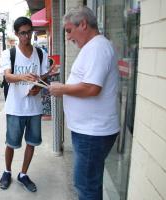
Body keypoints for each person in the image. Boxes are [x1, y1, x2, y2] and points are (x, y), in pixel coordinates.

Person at [48, 6, 119, 200]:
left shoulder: (98, 47)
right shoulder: (94, 46)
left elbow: (91, 88)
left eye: (69, 30)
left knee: (86, 186)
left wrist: (62, 89)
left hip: (93, 133)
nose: (68, 37)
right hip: (90, 132)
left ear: (84, 24)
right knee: (89, 183)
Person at [0, 17, 48, 192]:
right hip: (15, 107)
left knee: (32, 142)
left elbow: (43, 77)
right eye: (22, 33)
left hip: (34, 108)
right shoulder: (9, 54)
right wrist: (22, 77)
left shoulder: (40, 53)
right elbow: (7, 76)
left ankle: (23, 174)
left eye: (29, 32)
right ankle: (7, 171)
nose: (26, 36)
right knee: (11, 143)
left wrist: (38, 88)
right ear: (16, 34)